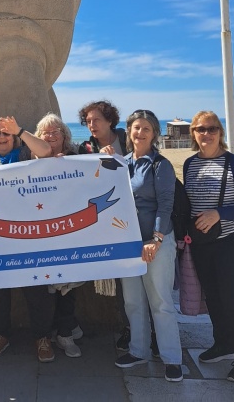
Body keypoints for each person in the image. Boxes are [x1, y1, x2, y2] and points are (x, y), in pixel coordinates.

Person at [184, 111, 234, 383]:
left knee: (232, 298)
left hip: (233, 239)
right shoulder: (189, 164)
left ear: (220, 132)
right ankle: (223, 343)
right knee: (213, 297)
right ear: (193, 133)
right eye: (201, 129)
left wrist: (219, 213)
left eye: (212, 128)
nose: (207, 133)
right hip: (204, 243)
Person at [0, 112, 57, 363]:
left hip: (30, 234)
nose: (2, 137)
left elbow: (45, 151)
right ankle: (1, 334)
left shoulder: (23, 155)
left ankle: (42, 337)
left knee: (36, 289)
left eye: (6, 133)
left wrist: (20, 130)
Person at [110, 109, 183, 383]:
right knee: (133, 301)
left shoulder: (160, 165)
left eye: (146, 129)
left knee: (161, 302)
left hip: (156, 243)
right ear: (128, 131)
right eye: (136, 127)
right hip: (128, 243)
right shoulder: (120, 163)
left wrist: (156, 239)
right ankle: (138, 350)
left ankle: (172, 359)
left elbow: (166, 203)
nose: (139, 133)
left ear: (154, 135)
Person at [77, 99, 136, 351]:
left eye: (96, 120)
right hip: (105, 224)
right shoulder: (85, 148)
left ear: (110, 120)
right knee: (123, 280)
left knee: (139, 278)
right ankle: (129, 328)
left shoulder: (128, 140)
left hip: (136, 218)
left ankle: (149, 329)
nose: (92, 125)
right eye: (88, 121)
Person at [34, 113, 82, 358]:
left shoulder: (76, 158)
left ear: (64, 135)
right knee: (46, 288)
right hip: (40, 235)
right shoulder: (30, 162)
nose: (50, 137)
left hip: (69, 232)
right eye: (45, 133)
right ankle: (51, 330)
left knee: (68, 286)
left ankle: (65, 333)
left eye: (55, 132)